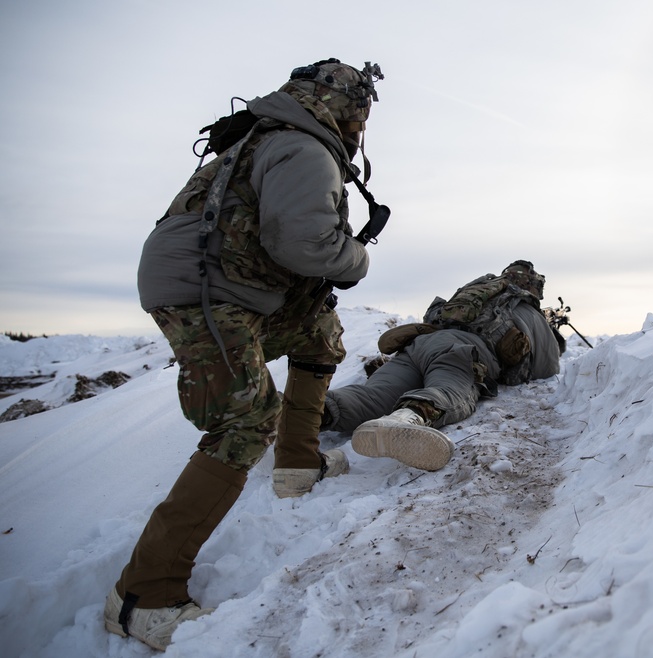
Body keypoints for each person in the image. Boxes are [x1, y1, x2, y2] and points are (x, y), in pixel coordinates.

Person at [104, 58, 384, 651]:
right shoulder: (303, 149)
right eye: (362, 112)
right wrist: (358, 257)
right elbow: (303, 240)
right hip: (203, 287)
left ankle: (298, 463)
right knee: (244, 419)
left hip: (230, 279)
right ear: (347, 108)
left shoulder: (272, 134)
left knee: (319, 333)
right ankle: (142, 597)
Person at [320, 260, 565, 471]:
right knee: (447, 392)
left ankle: (311, 412)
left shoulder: (478, 289)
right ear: (533, 289)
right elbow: (548, 367)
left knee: (372, 396)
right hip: (459, 352)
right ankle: (406, 420)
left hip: (419, 345)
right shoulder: (527, 310)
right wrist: (548, 332)